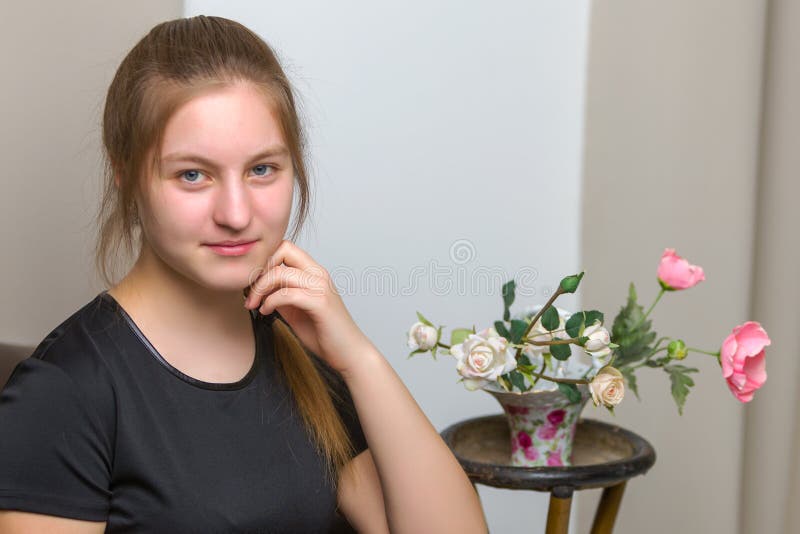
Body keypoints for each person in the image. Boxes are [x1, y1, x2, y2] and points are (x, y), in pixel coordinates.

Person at [0, 15, 488, 533]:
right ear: (126, 175)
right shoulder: (63, 391)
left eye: (262, 170)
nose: (235, 213)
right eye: (193, 174)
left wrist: (358, 359)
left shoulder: (297, 349)